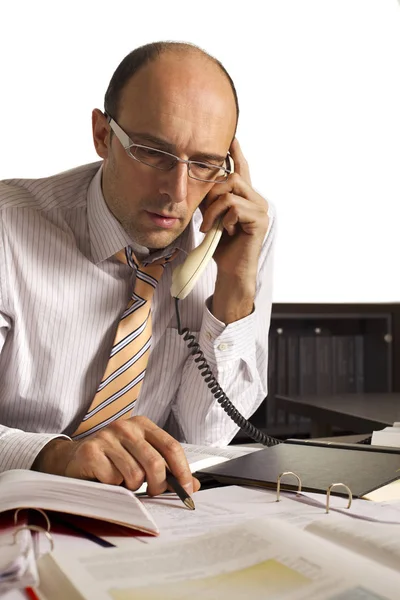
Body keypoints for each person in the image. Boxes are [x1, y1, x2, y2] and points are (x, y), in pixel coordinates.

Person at [0, 41, 275, 497]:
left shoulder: (237, 231)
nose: (177, 191)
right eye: (153, 152)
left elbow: (205, 436)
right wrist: (56, 455)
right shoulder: (8, 228)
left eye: (204, 163)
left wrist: (232, 290)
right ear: (103, 136)